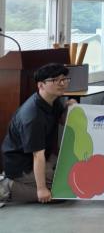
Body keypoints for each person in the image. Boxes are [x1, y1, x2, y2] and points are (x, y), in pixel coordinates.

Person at [1, 63, 76, 204]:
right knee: (60, 193)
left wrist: (70, 108)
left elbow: (62, 120)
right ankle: (7, 187)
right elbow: (37, 155)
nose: (62, 83)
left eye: (64, 79)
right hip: (22, 165)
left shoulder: (53, 100)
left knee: (72, 179)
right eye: (55, 80)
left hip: (43, 156)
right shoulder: (33, 116)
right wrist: (41, 189)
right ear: (41, 85)